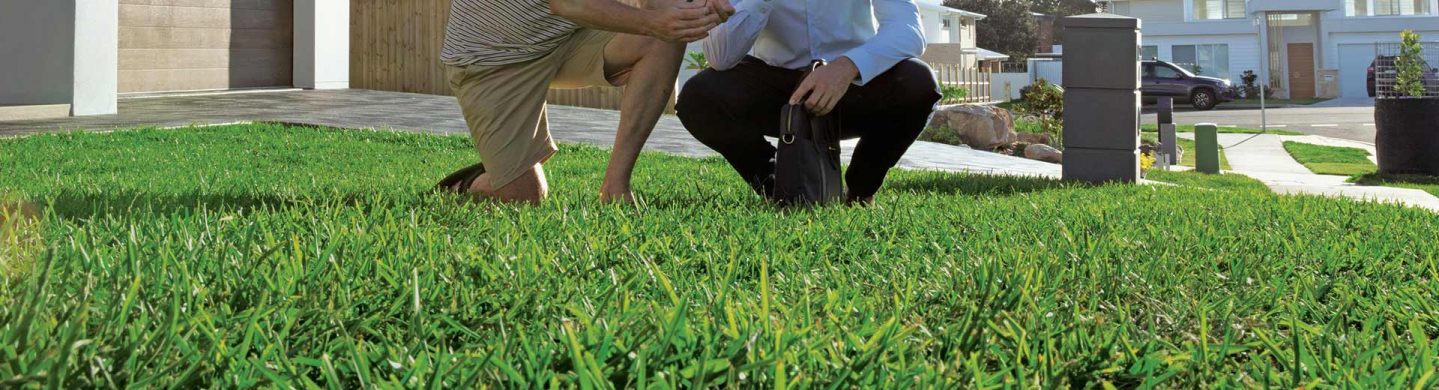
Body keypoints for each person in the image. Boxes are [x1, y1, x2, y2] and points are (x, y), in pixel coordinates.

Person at [435, 0, 735, 204]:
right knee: (524, 196)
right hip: (494, 58)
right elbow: (567, 3)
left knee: (664, 36)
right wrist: (652, 21)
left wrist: (701, 6)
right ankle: (466, 185)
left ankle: (615, 187)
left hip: (567, 37)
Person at [675, 0, 942, 205]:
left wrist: (848, 66)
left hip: (851, 85)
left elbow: (909, 30)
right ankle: (777, 187)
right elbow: (720, 57)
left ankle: (860, 192)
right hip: (775, 88)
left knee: (918, 84)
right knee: (698, 97)